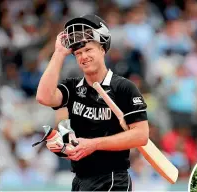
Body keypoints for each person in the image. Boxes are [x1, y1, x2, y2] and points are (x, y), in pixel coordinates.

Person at [36, 14, 149, 191]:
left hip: (112, 179)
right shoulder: (72, 87)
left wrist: (93, 144)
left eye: (89, 50)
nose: (83, 57)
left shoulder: (124, 88)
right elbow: (44, 97)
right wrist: (59, 53)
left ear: (103, 50)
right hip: (80, 180)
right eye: (78, 53)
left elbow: (141, 135)